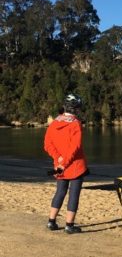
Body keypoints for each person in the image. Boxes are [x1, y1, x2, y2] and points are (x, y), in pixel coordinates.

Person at [44, 93, 88, 234]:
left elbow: (47, 145)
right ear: (76, 109)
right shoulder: (75, 124)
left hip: (59, 166)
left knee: (60, 192)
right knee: (74, 194)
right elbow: (75, 147)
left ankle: (51, 221)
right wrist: (66, 162)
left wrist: (59, 159)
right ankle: (69, 225)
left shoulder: (54, 123)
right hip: (75, 166)